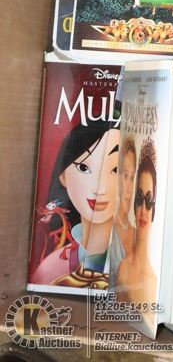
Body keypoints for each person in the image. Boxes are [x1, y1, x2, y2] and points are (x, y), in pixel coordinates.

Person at [31, 121, 120, 288]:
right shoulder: (49, 271)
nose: (100, 188)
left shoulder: (132, 267)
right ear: (63, 176)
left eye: (116, 169)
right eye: (84, 168)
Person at [115, 138, 158, 335]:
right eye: (140, 198)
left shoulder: (153, 283)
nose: (143, 211)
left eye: (149, 200)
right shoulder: (123, 268)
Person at [108, 136, 137, 287]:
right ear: (117, 178)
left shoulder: (139, 235)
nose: (129, 188)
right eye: (125, 176)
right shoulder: (107, 233)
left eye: (132, 177)